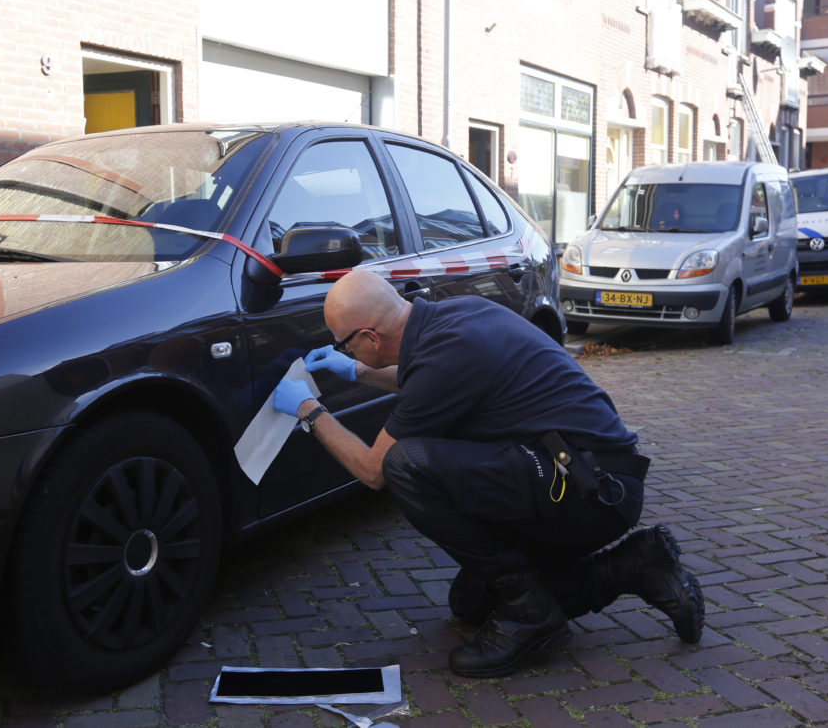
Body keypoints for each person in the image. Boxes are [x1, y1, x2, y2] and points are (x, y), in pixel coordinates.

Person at [272, 269, 704, 678]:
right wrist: (358, 371)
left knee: (405, 464)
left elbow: (372, 471)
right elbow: (430, 382)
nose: (346, 352)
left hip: (593, 492)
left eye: (346, 346)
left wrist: (309, 411)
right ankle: (632, 565)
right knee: (471, 605)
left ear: (370, 337)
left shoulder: (445, 357)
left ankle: (529, 615)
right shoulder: (456, 314)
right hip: (580, 472)